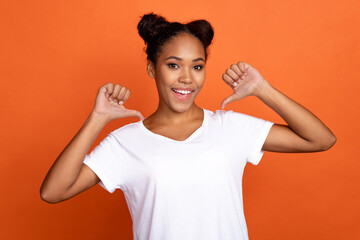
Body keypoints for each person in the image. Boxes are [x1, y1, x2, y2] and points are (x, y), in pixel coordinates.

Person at [40, 13, 336, 240]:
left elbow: (320, 139)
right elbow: (53, 192)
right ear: (151, 68)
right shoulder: (125, 143)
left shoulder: (230, 127)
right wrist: (97, 119)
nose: (187, 78)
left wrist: (263, 89)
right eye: (173, 65)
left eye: (197, 66)